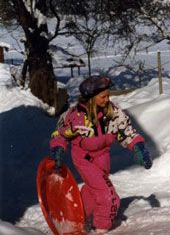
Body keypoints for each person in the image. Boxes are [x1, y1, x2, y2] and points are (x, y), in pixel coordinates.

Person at [49, 75, 152, 234]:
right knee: (109, 197)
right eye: (103, 96)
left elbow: (126, 131)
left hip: (103, 159)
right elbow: (60, 134)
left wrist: (139, 147)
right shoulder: (75, 116)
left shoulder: (112, 112)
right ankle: (101, 229)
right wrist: (57, 149)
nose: (107, 99)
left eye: (108, 95)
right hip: (84, 160)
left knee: (93, 192)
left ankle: (78, 218)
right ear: (91, 97)